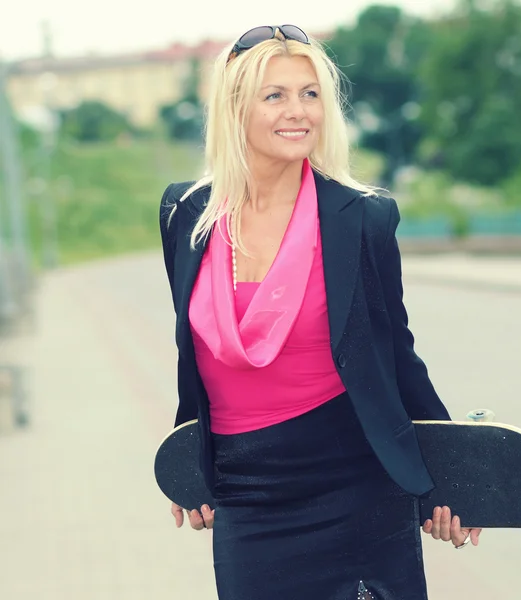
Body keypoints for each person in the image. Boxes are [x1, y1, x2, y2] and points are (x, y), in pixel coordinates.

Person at [159, 24, 482, 600]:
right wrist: (189, 461)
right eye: (276, 95)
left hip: (356, 483)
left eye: (310, 94)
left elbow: (396, 355)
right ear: (236, 107)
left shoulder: (363, 216)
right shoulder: (186, 215)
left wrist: (452, 477)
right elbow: (193, 353)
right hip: (245, 494)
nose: (299, 111)